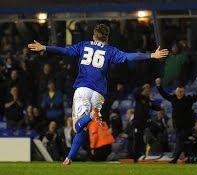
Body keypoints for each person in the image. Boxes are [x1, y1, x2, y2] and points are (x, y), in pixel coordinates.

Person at [28, 24, 169, 165]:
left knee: (77, 126)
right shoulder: (110, 50)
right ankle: (68, 158)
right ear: (107, 37)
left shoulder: (84, 45)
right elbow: (129, 56)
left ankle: (91, 115)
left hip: (83, 89)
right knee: (83, 128)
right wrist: (151, 55)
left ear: (93, 35)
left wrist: (45, 47)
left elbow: (65, 51)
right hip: (99, 93)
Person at [155, 78, 197, 163]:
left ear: (184, 92)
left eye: (182, 92)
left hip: (188, 126)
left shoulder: (188, 99)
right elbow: (164, 94)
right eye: (179, 91)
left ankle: (175, 158)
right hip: (177, 126)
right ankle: (185, 157)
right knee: (182, 142)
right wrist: (158, 86)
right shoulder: (173, 98)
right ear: (176, 92)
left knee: (180, 140)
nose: (180, 93)